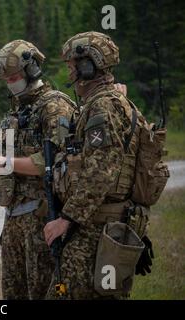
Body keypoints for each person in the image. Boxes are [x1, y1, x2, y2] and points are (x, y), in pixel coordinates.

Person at [44, 31, 155, 299]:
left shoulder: (104, 107)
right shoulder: (112, 102)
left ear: (87, 66)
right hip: (102, 224)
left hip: (95, 228)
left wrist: (67, 219)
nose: (69, 74)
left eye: (72, 66)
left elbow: (101, 172)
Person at [0, 40, 77, 299]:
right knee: (12, 293)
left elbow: (58, 160)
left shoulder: (54, 106)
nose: (10, 83)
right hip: (14, 218)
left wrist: (6, 163)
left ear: (31, 69)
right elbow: (9, 164)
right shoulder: (17, 111)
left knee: (41, 291)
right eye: (6, 79)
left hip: (41, 217)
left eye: (13, 77)